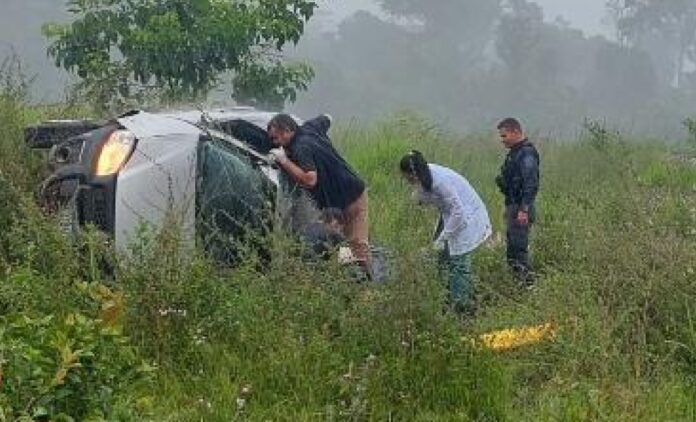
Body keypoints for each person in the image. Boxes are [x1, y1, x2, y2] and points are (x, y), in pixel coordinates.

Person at [266, 113, 371, 276]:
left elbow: (310, 180)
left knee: (356, 245)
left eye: (275, 139)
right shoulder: (310, 128)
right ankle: (346, 279)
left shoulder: (300, 147)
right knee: (340, 243)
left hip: (351, 197)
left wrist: (284, 161)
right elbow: (328, 117)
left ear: (286, 130)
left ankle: (364, 288)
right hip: (341, 197)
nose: (275, 143)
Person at [400, 150, 492, 315]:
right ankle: (447, 298)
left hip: (466, 217)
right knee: (442, 259)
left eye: (409, 178)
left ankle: (462, 308)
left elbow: (459, 213)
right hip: (450, 215)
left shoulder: (439, 182)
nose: (408, 182)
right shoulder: (424, 176)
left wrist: (444, 237)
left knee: (459, 263)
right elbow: (424, 195)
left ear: (414, 174)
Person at [495, 118, 540, 285]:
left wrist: (524, 209)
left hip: (521, 208)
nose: (502, 139)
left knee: (519, 249)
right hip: (513, 205)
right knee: (512, 249)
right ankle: (517, 284)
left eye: (504, 135)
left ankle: (527, 286)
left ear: (516, 132)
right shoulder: (515, 153)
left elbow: (530, 183)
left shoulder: (526, 153)